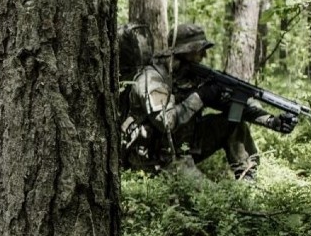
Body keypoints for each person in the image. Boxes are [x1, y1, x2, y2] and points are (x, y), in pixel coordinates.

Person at [122, 23, 297, 181]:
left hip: (184, 148)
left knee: (234, 123)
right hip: (155, 158)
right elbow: (165, 122)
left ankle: (247, 177)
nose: (204, 55)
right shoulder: (152, 79)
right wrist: (201, 96)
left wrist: (272, 121)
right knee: (214, 200)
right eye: (199, 50)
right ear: (185, 51)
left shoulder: (193, 76)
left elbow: (235, 107)